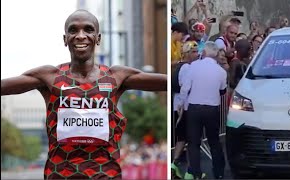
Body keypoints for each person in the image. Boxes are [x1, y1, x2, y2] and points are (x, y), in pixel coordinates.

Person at [1, 10, 167, 180]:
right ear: (65, 39)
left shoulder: (115, 77)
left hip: (105, 174)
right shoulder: (49, 77)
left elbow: (169, 82)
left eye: (88, 30)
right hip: (61, 175)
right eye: (73, 30)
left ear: (98, 38)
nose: (81, 36)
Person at [177, 41, 227, 179]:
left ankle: (196, 173)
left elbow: (185, 88)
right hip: (212, 108)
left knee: (193, 143)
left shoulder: (193, 67)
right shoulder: (221, 72)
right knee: (214, 141)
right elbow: (222, 91)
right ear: (216, 55)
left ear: (203, 53)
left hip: (194, 108)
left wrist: (180, 105)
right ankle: (219, 173)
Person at [171, 41, 199, 179]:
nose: (197, 54)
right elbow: (185, 88)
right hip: (185, 108)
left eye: (197, 51)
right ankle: (190, 172)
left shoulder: (180, 66)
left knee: (182, 139)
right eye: (193, 52)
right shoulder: (187, 67)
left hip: (180, 106)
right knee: (191, 140)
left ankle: (173, 165)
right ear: (187, 53)